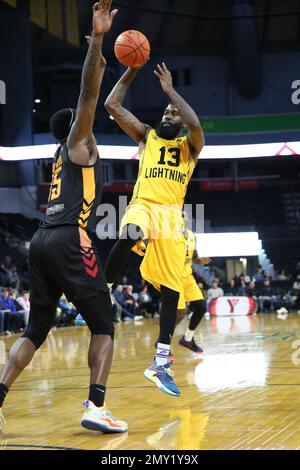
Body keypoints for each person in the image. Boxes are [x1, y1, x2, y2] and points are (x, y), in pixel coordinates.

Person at [0, 1, 127, 435]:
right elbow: (89, 94)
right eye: (83, 122)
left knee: (36, 329)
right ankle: (95, 405)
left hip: (41, 240)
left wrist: (104, 56)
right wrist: (100, 38)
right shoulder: (78, 141)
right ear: (76, 127)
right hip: (70, 238)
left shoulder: (60, 155)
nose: (87, 124)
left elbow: (96, 97)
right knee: (104, 323)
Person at [104, 61, 204, 397]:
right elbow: (112, 106)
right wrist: (131, 69)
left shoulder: (190, 147)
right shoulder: (147, 136)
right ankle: (102, 290)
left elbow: (195, 123)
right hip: (145, 204)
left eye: (174, 113)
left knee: (173, 293)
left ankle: (159, 363)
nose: (169, 114)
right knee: (130, 233)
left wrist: (171, 92)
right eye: (166, 111)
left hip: (172, 218)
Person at [176, 227, 209, 354]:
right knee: (179, 314)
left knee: (201, 307)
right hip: (174, 277)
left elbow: (194, 256)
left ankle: (188, 339)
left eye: (185, 216)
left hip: (188, 278)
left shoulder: (191, 236)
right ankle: (163, 342)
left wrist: (200, 260)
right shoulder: (169, 235)